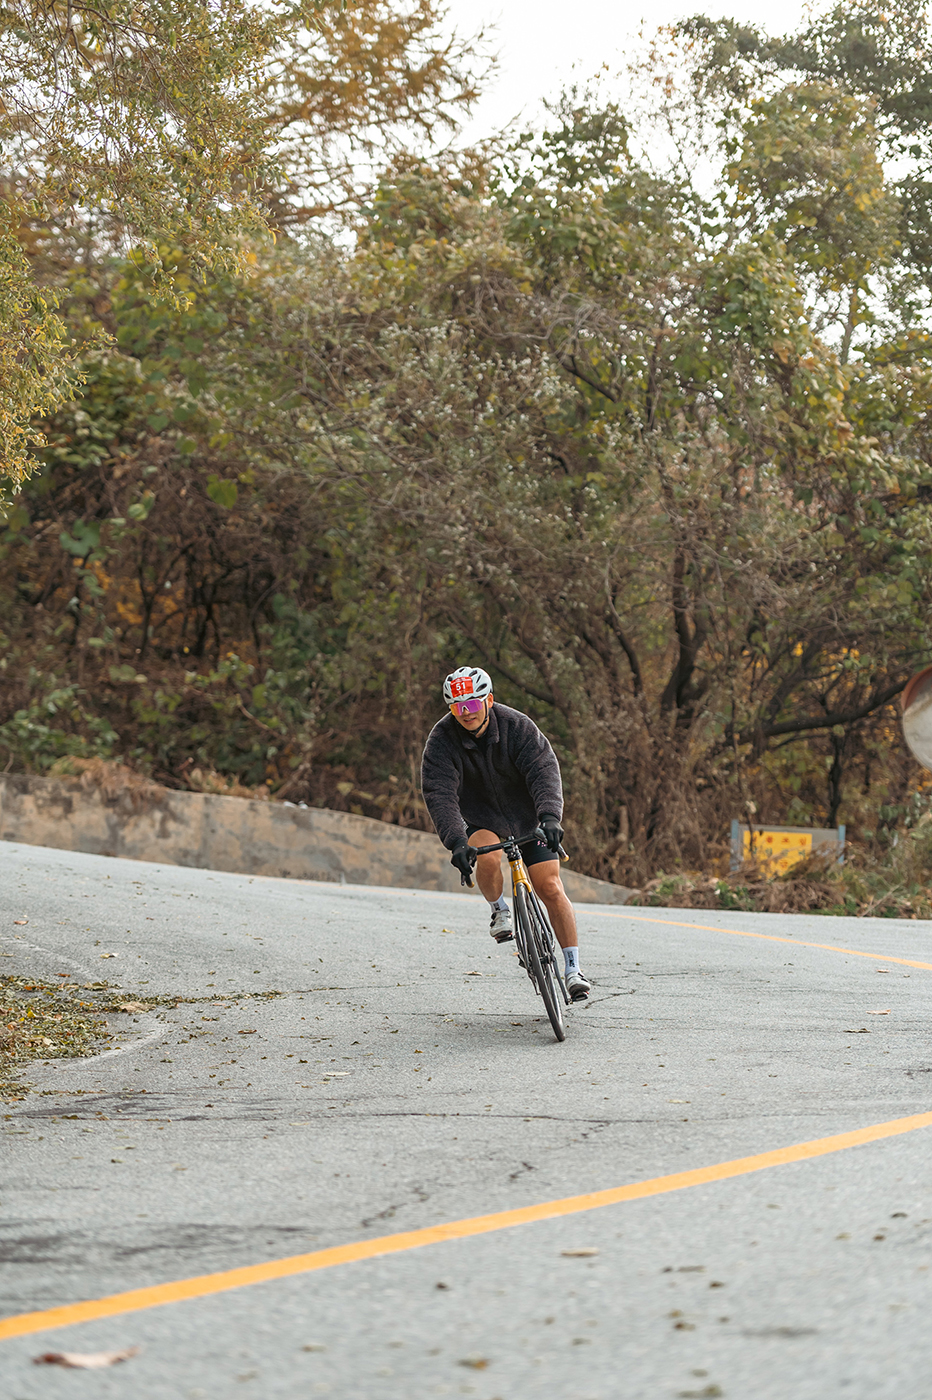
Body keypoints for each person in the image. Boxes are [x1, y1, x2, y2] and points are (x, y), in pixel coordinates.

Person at [421, 666, 591, 1001]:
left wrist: (550, 817)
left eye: (472, 704)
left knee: (550, 886)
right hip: (482, 819)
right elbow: (439, 793)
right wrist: (456, 842)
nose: (466, 713)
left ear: (489, 700)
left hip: (530, 819)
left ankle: (573, 968)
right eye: (457, 707)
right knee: (486, 854)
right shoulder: (441, 741)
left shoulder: (517, 726)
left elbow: (543, 770)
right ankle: (499, 909)